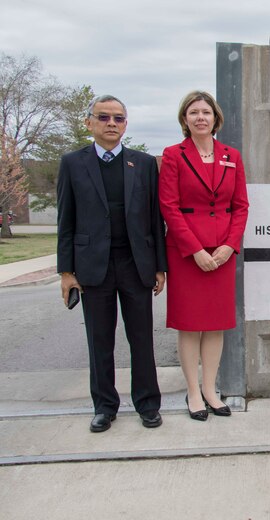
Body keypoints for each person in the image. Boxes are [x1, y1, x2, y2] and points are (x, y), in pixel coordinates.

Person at [57, 95, 167, 433]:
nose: (111, 123)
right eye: (103, 117)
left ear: (125, 124)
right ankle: (104, 406)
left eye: (118, 118)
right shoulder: (73, 163)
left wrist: (160, 267)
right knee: (100, 340)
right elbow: (66, 220)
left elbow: (154, 219)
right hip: (94, 267)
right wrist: (66, 272)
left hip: (136, 265)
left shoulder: (145, 163)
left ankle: (148, 404)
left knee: (141, 340)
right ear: (89, 122)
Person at [159, 91, 249, 421]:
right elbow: (168, 206)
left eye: (206, 112)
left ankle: (211, 389)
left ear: (216, 118)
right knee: (190, 325)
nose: (200, 117)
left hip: (223, 252)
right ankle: (193, 392)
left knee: (215, 325)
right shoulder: (173, 155)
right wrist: (195, 249)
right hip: (187, 253)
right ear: (185, 119)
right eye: (193, 112)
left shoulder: (231, 156)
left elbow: (240, 206)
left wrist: (229, 246)